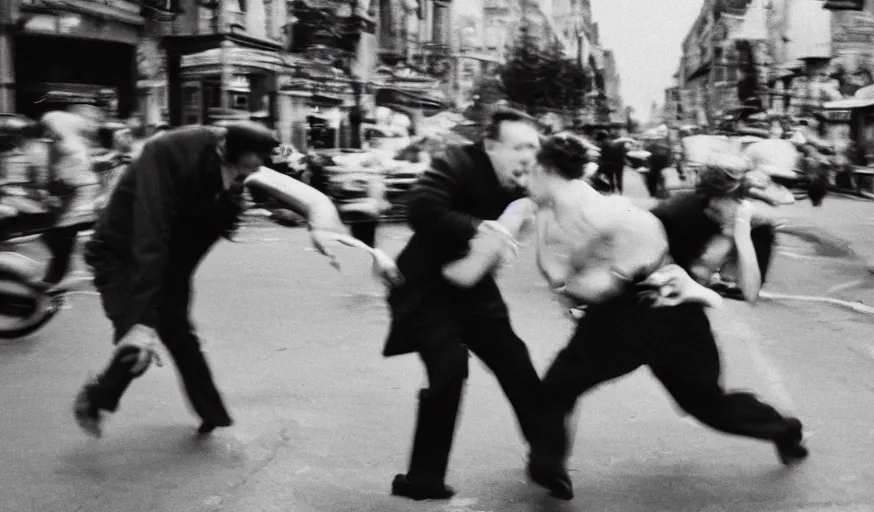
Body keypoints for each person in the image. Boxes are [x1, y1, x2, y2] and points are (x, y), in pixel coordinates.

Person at [72, 122, 400, 438]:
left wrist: (333, 234)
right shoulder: (167, 155)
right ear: (223, 152)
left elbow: (291, 197)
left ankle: (209, 412)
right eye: (240, 171)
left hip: (177, 249)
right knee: (138, 336)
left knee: (177, 333)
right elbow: (149, 236)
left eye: (249, 174)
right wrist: (142, 320)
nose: (243, 180)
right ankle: (99, 398)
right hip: (119, 250)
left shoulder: (233, 167)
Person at [528, 146, 808, 500]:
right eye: (720, 198)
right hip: (627, 310)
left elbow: (749, 290)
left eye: (737, 200)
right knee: (558, 386)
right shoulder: (680, 209)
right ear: (711, 193)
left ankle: (784, 430)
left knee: (707, 404)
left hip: (680, 324)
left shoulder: (757, 230)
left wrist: (739, 232)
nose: (726, 206)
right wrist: (592, 282)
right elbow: (627, 243)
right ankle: (548, 468)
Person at [383, 109, 566, 501]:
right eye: (519, 147)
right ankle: (424, 479)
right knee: (449, 369)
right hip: (428, 289)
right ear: (491, 147)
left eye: (534, 146)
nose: (529, 156)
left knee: (517, 365)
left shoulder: (526, 180)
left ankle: (549, 465)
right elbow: (420, 209)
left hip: (475, 286)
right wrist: (483, 227)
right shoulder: (455, 162)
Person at [38, 110, 101, 288]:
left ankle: (55, 278)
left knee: (60, 236)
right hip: (80, 193)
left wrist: (53, 189)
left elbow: (66, 176)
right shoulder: (73, 142)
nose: (47, 131)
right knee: (60, 236)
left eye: (49, 126)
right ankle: (57, 276)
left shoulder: (66, 145)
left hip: (78, 195)